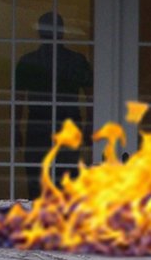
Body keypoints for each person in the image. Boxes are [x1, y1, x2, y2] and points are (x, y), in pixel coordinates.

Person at [13, 10, 95, 175]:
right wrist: (89, 125)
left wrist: (16, 128)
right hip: (55, 123)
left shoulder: (28, 61)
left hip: (46, 124)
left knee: (41, 176)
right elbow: (90, 96)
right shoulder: (76, 60)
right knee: (63, 177)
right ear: (62, 32)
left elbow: (18, 100)